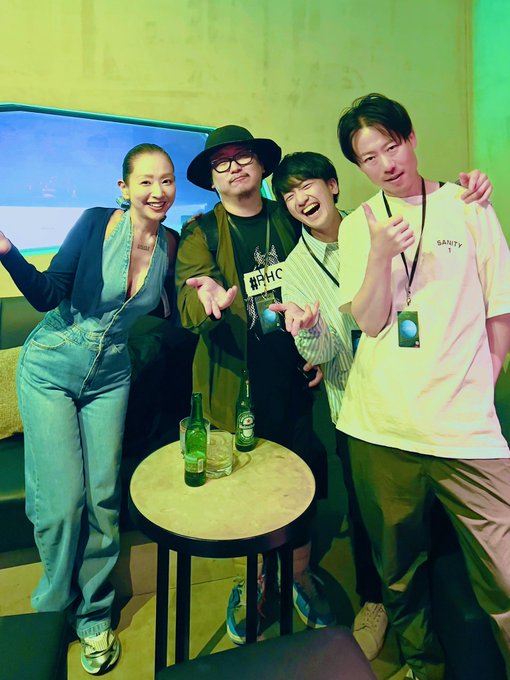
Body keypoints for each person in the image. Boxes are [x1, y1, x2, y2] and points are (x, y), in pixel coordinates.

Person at [269, 151, 492, 661]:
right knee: (373, 518)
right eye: (289, 195)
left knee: (438, 515)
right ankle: (377, 604)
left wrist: (473, 192)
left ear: (333, 185)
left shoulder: (382, 223)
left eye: (308, 185)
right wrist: (310, 331)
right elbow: (322, 353)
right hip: (360, 412)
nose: (301, 199)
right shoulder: (296, 267)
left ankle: (454, 615)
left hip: (429, 397)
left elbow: (433, 288)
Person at [335, 93, 510, 680]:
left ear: (411, 138)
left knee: (505, 572)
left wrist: (484, 381)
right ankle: (422, 668)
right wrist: (379, 255)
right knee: (399, 573)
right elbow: (370, 322)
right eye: (368, 157)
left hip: (465, 429)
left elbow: (500, 307)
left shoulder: (469, 205)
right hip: (381, 427)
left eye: (391, 146)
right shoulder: (359, 225)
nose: (385, 164)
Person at [0, 143, 178, 675]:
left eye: (166, 180)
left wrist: (211, 291)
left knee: (103, 496)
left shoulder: (170, 243)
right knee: (62, 502)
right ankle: (54, 607)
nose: (158, 192)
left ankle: (95, 613)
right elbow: (47, 294)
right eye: (145, 181)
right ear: (124, 188)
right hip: (51, 365)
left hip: (112, 375)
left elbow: (173, 309)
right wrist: (6, 250)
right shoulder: (96, 222)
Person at [175, 125, 333, 644]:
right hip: (233, 385)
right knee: (247, 488)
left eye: (243, 156)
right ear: (212, 180)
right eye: (221, 163)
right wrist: (208, 300)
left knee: (302, 477)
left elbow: (331, 257)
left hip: (293, 376)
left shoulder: (288, 216)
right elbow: (188, 301)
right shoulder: (200, 232)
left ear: (262, 167)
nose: (234, 167)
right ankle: (256, 581)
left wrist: (318, 347)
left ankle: (300, 575)